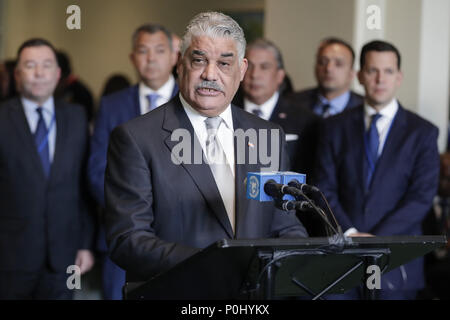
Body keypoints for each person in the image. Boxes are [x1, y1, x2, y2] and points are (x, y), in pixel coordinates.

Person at [104, 11, 308, 285]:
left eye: (225, 63)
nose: (210, 74)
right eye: (199, 60)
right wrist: (214, 267)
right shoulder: (135, 138)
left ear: (242, 70)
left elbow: (285, 226)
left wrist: (299, 257)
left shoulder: (266, 135)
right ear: (180, 63)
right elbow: (128, 240)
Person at [314, 40, 439, 299]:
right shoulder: (333, 127)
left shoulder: (423, 132)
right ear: (360, 75)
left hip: (397, 262)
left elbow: (421, 197)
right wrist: (349, 232)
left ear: (399, 77)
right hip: (341, 258)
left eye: (388, 71)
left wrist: (375, 238)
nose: (380, 79)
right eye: (372, 71)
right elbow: (323, 187)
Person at [87, 23, 178, 300]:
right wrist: (133, 208)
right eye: (143, 51)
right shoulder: (112, 105)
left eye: (159, 50)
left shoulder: (195, 103)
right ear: (132, 58)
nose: (151, 58)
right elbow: (96, 170)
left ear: (175, 56)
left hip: (179, 237)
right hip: (122, 235)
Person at [0, 38, 94, 299]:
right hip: (9, 259)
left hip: (63, 257)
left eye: (46, 65)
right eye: (30, 65)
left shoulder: (76, 117)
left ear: (58, 73)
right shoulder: (2, 118)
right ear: (17, 73)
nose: (39, 73)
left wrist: (85, 245)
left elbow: (83, 187)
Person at [233, 38, 319, 176]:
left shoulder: (305, 120)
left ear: (280, 76)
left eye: (264, 67)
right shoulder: (224, 112)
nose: (255, 75)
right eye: (250, 67)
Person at [293, 37, 363, 117]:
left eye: (338, 64)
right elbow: (276, 129)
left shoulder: (365, 108)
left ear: (352, 73)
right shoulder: (291, 102)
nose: (328, 68)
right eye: (323, 62)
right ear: (315, 67)